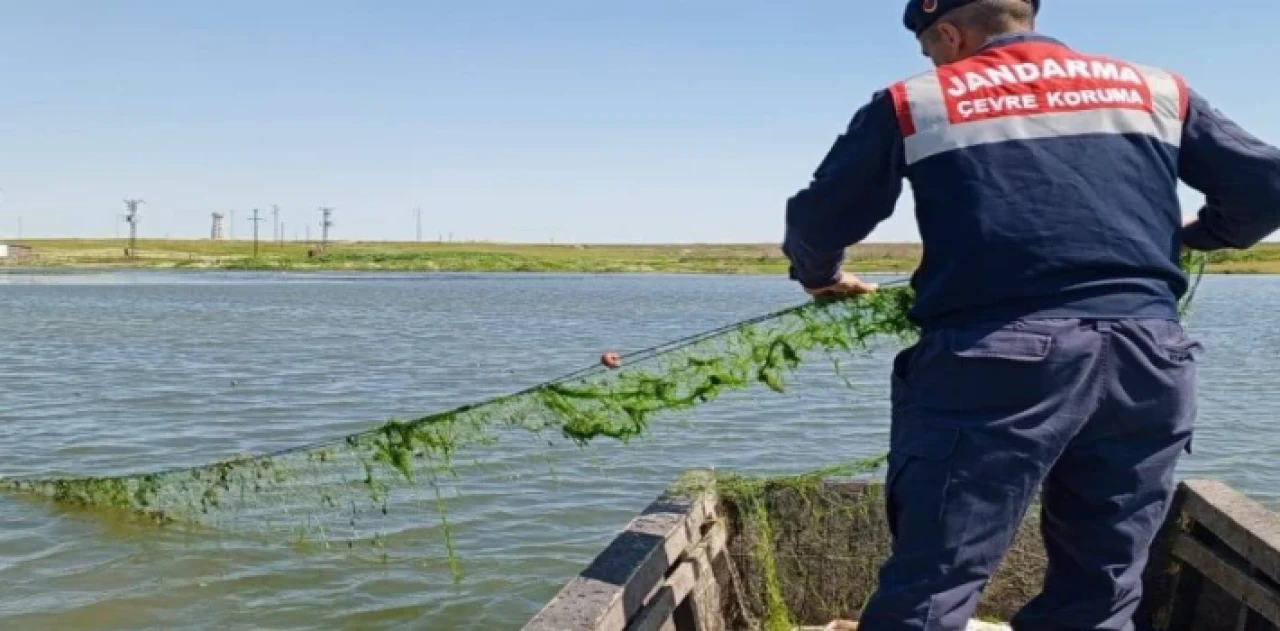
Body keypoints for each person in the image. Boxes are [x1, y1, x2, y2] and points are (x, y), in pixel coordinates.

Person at [781, 1, 1280, 629]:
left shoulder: (917, 100)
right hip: (1149, 358)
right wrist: (1196, 237)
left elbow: (820, 219)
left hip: (994, 360)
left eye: (930, 49)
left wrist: (821, 276)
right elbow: (1267, 187)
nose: (932, 62)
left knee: (934, 581)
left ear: (948, 32)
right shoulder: (1155, 89)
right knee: (1102, 584)